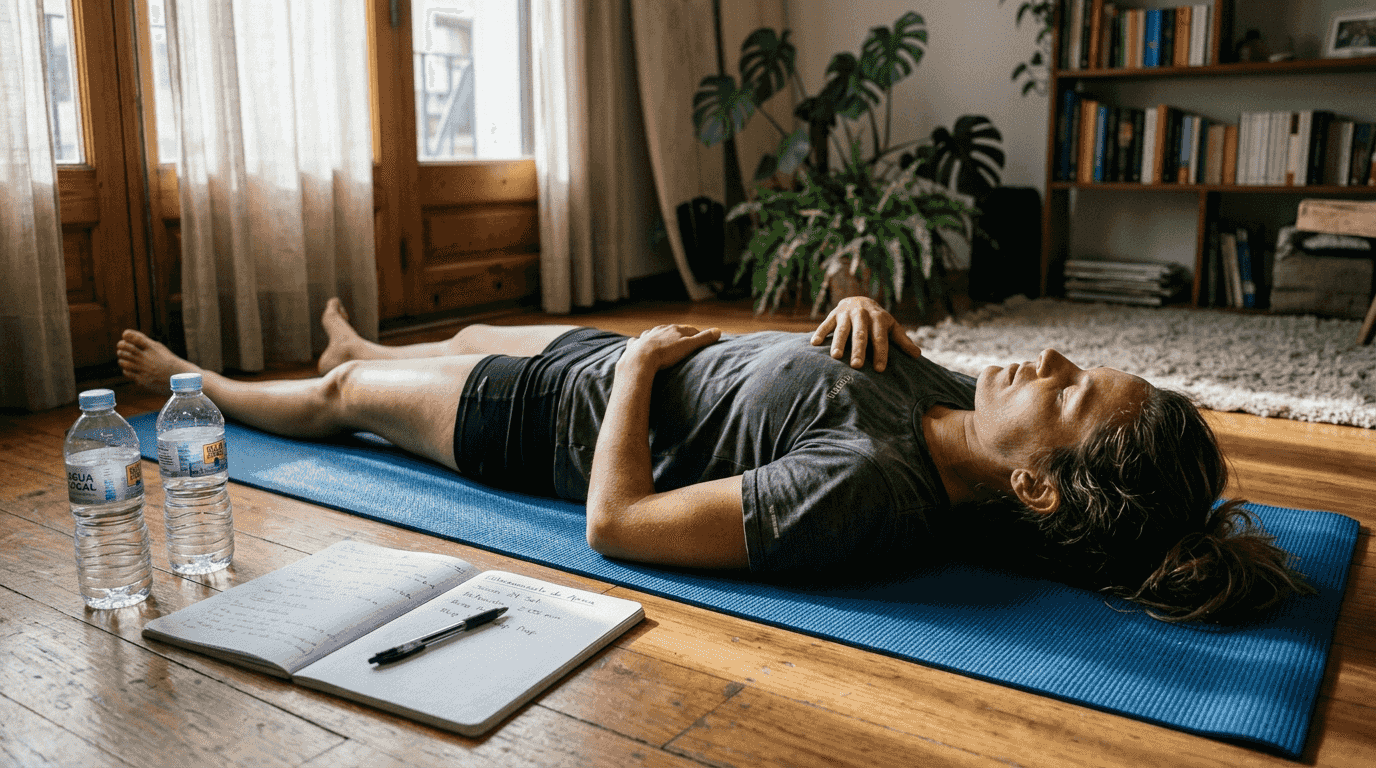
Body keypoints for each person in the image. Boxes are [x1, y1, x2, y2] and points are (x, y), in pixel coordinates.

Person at [117, 296, 1310, 623]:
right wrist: (857, 305)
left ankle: (199, 381)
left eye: (1066, 389)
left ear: (1036, 484)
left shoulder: (862, 489)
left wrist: (639, 367)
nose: (1045, 357)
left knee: (340, 404)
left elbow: (617, 526)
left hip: (545, 422)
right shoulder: (956, 405)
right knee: (465, 329)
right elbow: (844, 367)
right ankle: (370, 350)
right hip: (602, 362)